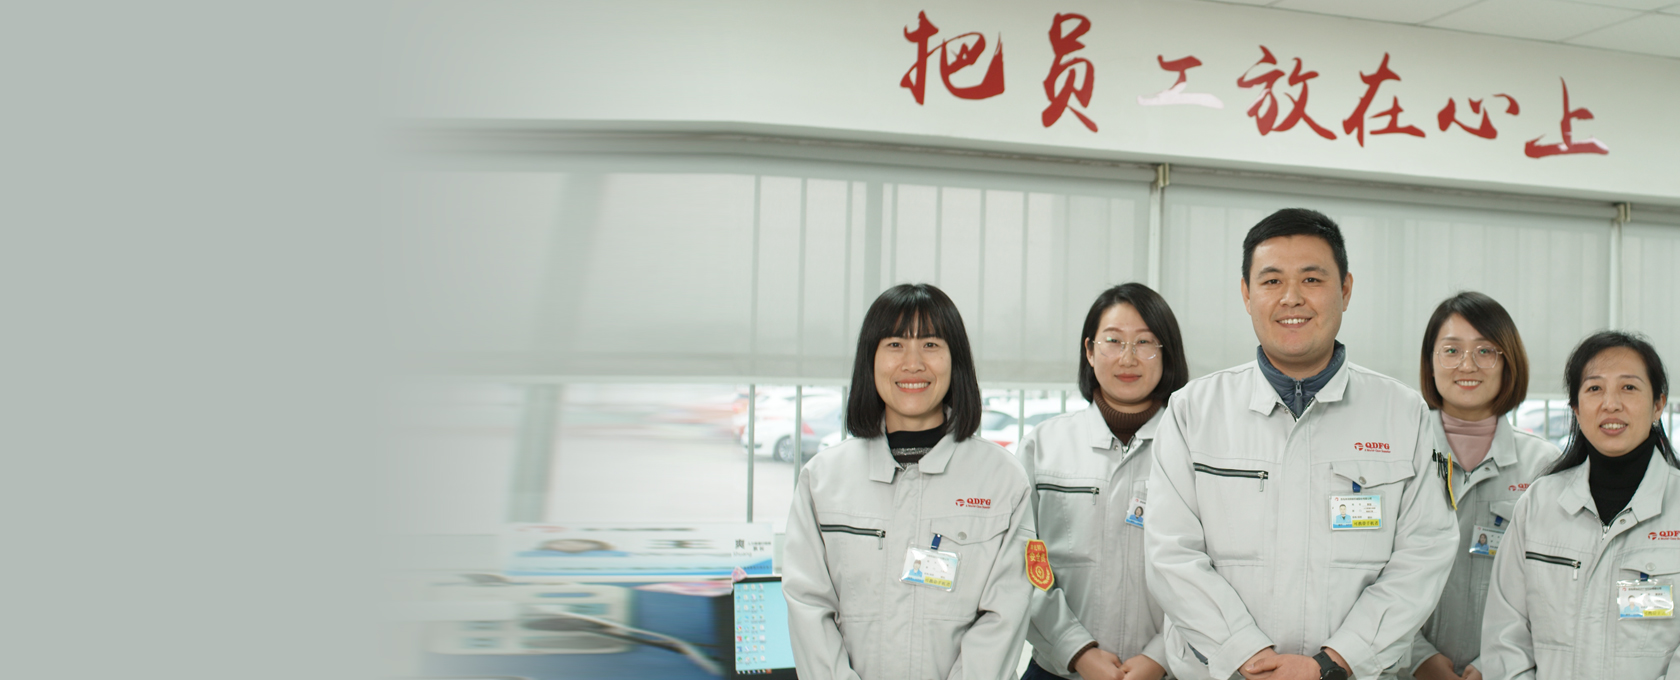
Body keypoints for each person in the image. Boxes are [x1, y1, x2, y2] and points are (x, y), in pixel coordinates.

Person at [1144, 208, 1458, 680]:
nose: (1292, 298)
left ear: (1345, 290)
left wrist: (1335, 661)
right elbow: (1170, 553)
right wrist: (1246, 654)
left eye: (1312, 279)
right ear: (1246, 294)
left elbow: (1424, 555)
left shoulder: (1402, 413)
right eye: (1272, 281)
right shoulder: (1193, 411)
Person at [784, 282, 1035, 680]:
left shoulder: (1002, 479)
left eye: (931, 344)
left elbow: (1005, 613)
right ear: (870, 360)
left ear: (956, 360)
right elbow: (808, 605)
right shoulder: (823, 479)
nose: (913, 363)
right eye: (895, 344)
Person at [1480, 332, 1680, 680]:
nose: (1611, 404)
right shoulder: (1539, 504)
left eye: (1629, 387)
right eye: (1594, 388)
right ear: (1575, 407)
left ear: (1658, 404)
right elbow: (1505, 634)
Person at [1018, 283, 1189, 680]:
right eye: (1113, 341)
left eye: (1145, 342)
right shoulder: (1043, 447)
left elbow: (1216, 565)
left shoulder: (1195, 450)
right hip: (1058, 669)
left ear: (1166, 354)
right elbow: (1017, 561)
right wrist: (1075, 650)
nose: (1128, 358)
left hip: (1169, 670)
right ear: (1090, 351)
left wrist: (1160, 656)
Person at [1408, 292, 1560, 680]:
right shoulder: (1398, 454)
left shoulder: (1544, 467)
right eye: (1451, 350)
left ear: (1508, 363)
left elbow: (1553, 588)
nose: (1467, 365)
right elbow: (1365, 569)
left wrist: (1496, 661)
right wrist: (1416, 657)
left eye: (1485, 351)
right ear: (1430, 362)